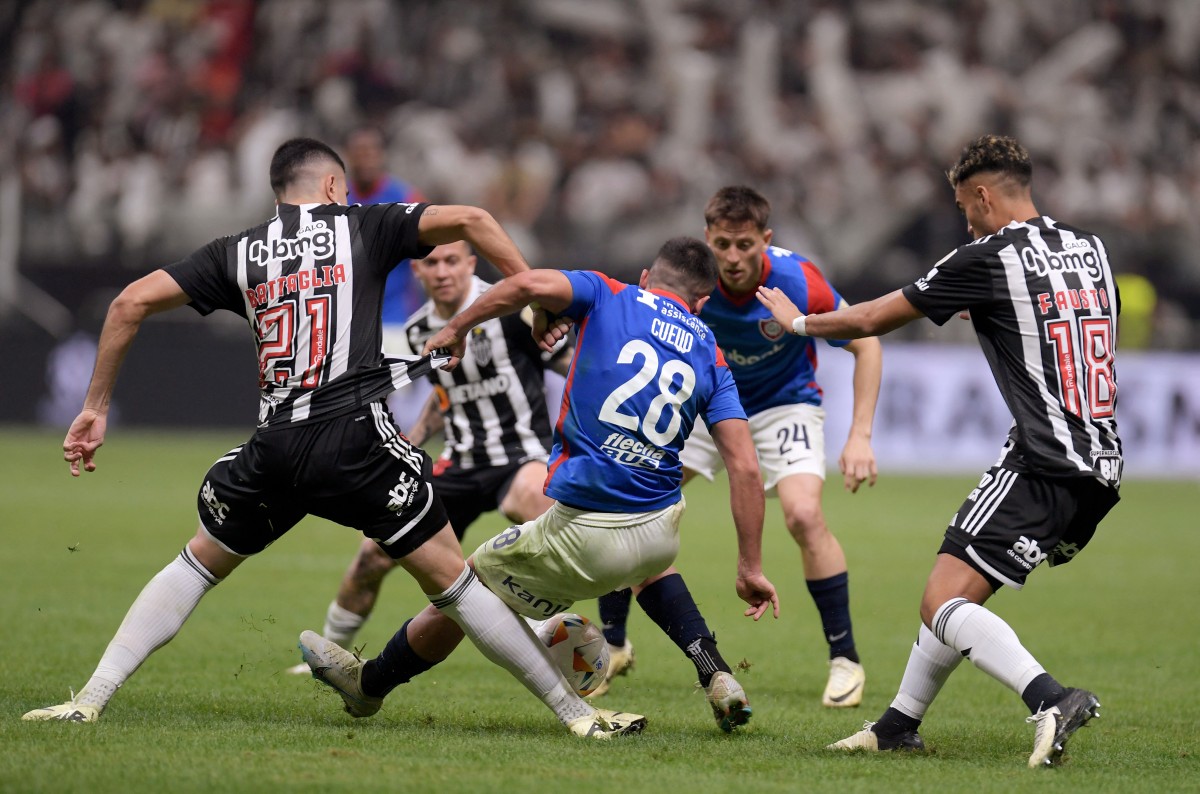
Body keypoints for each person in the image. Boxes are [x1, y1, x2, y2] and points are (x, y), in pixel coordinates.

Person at [22, 137, 642, 739]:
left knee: (197, 563)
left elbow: (129, 302)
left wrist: (95, 407)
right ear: (331, 186)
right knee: (455, 584)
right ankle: (578, 716)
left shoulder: (238, 251)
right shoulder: (362, 225)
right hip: (355, 442)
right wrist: (533, 296)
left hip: (276, 448)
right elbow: (475, 219)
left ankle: (91, 699)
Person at [298, 236, 781, 733]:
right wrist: (750, 567)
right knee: (645, 565)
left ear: (646, 278)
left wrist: (460, 325)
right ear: (701, 303)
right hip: (661, 531)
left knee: (464, 586)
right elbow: (745, 467)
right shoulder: (712, 355)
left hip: (587, 532)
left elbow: (527, 283)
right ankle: (717, 674)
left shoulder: (610, 292)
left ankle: (369, 685)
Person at [757, 134, 1121, 767]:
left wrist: (797, 322)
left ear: (982, 195)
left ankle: (1051, 698)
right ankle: (898, 725)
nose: (966, 220)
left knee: (941, 602)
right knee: (957, 588)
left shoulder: (986, 255)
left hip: (1042, 456)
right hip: (1102, 463)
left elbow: (869, 320)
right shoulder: (1089, 248)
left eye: (963, 207)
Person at [591, 186, 882, 709]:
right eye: (722, 243)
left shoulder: (797, 279)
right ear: (708, 238)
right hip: (704, 407)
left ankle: (845, 661)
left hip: (782, 406)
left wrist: (860, 434)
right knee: (627, 496)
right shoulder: (691, 283)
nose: (732, 257)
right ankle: (612, 643)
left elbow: (867, 343)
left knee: (802, 515)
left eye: (744, 245)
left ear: (765, 240)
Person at [283, 238, 570, 673]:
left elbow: (569, 362)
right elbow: (444, 395)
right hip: (458, 461)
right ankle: (323, 656)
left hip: (519, 455)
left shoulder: (509, 308)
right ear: (417, 271)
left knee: (537, 506)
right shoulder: (420, 329)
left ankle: (580, 635)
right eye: (431, 262)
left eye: (452, 261)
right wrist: (413, 439)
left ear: (471, 264)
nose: (442, 271)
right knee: (372, 556)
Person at [343, 125, 431, 427]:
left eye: (371, 152)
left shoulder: (404, 196)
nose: (365, 159)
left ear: (381, 156)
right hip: (351, 321)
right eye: (359, 153)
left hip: (397, 318)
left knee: (397, 411)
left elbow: (432, 249)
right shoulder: (338, 199)